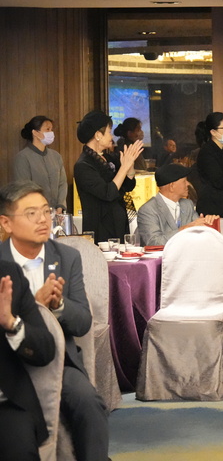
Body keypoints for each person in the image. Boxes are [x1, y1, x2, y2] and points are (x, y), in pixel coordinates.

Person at [0, 181, 110, 461]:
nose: (43, 219)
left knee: (88, 402)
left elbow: (83, 323)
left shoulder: (67, 257)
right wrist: (35, 306)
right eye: (31, 213)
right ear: (6, 223)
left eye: (46, 211)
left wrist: (58, 305)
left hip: (58, 361)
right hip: (9, 361)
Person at [0, 258, 57, 461]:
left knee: (21, 452)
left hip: (6, 405)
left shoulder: (8, 274)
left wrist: (10, 323)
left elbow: (45, 350)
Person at [74, 110, 143, 244]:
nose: (111, 136)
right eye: (109, 132)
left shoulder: (108, 158)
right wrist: (124, 167)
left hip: (119, 224)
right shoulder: (83, 165)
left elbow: (128, 186)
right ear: (98, 135)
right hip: (101, 229)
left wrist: (130, 165)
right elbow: (108, 193)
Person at [136, 163, 218, 247]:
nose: (188, 184)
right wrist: (185, 229)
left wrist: (207, 223)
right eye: (184, 181)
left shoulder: (187, 204)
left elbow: (197, 231)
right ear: (172, 186)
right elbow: (153, 242)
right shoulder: (148, 209)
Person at [13, 115, 68, 214]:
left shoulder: (56, 156)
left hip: (56, 212)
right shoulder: (23, 157)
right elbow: (24, 188)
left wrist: (60, 206)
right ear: (35, 133)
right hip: (34, 212)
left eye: (51, 129)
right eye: (47, 129)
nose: (51, 133)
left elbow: (62, 183)